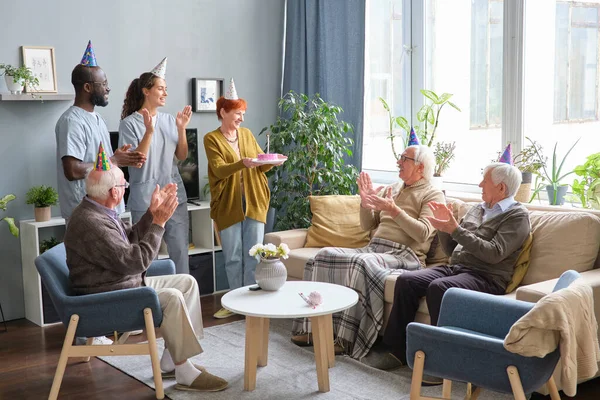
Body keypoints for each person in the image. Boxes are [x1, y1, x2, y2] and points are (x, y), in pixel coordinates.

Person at [63, 144, 228, 392]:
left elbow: (128, 239)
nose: (125, 190)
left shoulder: (98, 209)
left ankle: (173, 359)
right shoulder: (91, 222)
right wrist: (159, 224)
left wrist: (151, 214)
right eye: (124, 186)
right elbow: (135, 261)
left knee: (186, 282)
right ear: (113, 192)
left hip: (119, 285)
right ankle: (184, 372)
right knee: (172, 297)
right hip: (107, 298)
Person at [291, 145, 446, 360]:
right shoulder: (394, 188)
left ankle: (344, 338)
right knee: (324, 255)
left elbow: (423, 233)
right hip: (374, 249)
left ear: (420, 167)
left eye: (404, 158)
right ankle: (312, 328)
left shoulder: (433, 194)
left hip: (405, 256)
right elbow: (367, 225)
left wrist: (394, 210)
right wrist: (365, 203)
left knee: (360, 264)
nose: (398, 162)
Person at [382, 162, 531, 371]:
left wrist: (456, 229)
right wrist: (444, 228)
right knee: (407, 280)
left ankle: (440, 362)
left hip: (487, 276)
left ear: (501, 188)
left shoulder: (517, 216)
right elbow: (453, 250)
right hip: (457, 268)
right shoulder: (477, 209)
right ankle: (396, 351)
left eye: (485, 181)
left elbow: (494, 253)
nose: (480, 185)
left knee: (440, 288)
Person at [204, 78, 281, 319]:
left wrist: (271, 162)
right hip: (228, 205)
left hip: (254, 200)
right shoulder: (211, 139)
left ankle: (250, 302)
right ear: (223, 112)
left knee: (254, 253)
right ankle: (233, 302)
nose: (242, 118)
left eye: (243, 113)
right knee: (233, 256)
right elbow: (218, 169)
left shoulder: (246, 135)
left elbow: (258, 166)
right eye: (238, 113)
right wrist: (242, 163)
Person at [56, 40, 146, 221]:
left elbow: (102, 162)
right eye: (103, 83)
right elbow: (72, 170)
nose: (108, 88)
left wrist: (120, 159)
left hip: (109, 210)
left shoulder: (98, 119)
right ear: (87, 87)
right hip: (87, 215)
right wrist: (113, 160)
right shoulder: (71, 121)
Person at [119, 57, 192, 274]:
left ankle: (183, 301)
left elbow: (181, 155)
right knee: (144, 256)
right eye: (161, 88)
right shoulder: (129, 123)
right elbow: (138, 159)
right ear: (146, 91)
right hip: (145, 200)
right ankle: (149, 301)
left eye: (166, 89)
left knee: (180, 253)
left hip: (173, 197)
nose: (165, 93)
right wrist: (149, 131)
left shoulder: (171, 120)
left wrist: (181, 129)